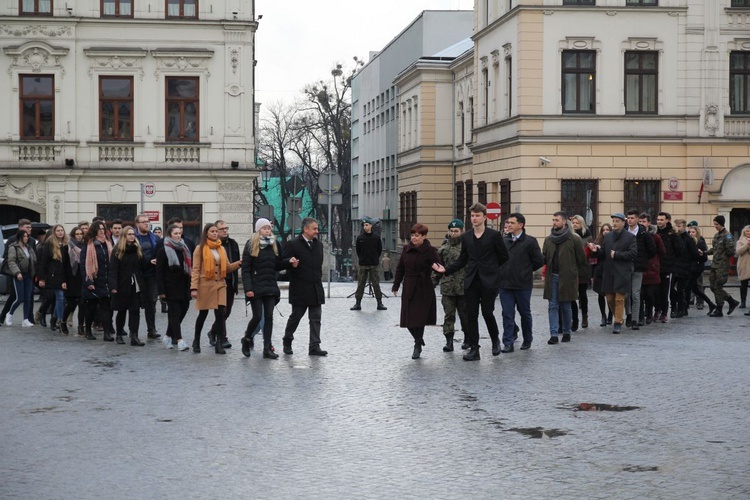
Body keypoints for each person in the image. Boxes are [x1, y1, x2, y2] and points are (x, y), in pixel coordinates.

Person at [433, 203, 509, 361]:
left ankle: (495, 340)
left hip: (489, 281)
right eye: (472, 216)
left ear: (484, 217)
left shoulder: (494, 235)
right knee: (471, 315)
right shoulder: (466, 236)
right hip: (471, 281)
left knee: (487, 313)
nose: (474, 218)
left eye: (477, 215)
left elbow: (503, 256)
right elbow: (463, 259)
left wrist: (492, 269)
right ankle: (475, 349)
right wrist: (446, 270)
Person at [240, 218, 294, 359]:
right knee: (257, 317)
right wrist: (248, 289)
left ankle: (267, 347)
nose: (267, 230)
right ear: (258, 230)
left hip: (270, 286)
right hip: (256, 286)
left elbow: (277, 264)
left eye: (269, 228)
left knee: (269, 317)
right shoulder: (251, 244)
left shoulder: (275, 244)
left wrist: (289, 262)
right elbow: (246, 269)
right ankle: (246, 340)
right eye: (264, 228)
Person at [392, 223, 441, 359]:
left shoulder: (430, 250)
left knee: (419, 319)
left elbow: (439, 267)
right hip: (409, 286)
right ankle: (418, 339)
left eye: (417, 235)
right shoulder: (406, 249)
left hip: (423, 287)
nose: (414, 238)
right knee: (408, 319)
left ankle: (417, 345)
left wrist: (434, 279)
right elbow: (400, 268)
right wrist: (396, 285)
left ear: (424, 236)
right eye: (412, 235)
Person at [190, 223, 241, 354]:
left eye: (215, 231)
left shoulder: (221, 248)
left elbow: (228, 267)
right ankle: (196, 340)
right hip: (205, 284)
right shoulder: (200, 249)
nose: (215, 233)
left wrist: (239, 263)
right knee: (203, 314)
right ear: (206, 233)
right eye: (212, 231)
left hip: (220, 285)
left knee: (220, 315)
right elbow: (195, 270)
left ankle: (219, 343)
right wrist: (193, 288)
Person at [281, 217, 328, 356]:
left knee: (316, 319)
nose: (317, 232)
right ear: (305, 229)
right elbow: (283, 262)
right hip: (300, 288)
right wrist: (291, 263)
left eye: (317, 229)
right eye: (314, 229)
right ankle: (287, 340)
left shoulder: (318, 245)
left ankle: (314, 346)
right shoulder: (293, 244)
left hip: (315, 287)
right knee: (296, 317)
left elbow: (319, 264)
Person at [498, 213, 544, 352]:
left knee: (524, 313)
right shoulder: (504, 241)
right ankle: (508, 342)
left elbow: (539, 261)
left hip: (522, 284)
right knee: (507, 313)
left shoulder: (530, 241)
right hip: (505, 284)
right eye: (508, 223)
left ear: (521, 225)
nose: (509, 225)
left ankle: (527, 339)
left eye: (512, 223)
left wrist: (525, 270)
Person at [588, 213, 637, 334]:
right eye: (613, 221)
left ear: (623, 223)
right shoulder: (608, 236)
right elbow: (603, 254)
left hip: (622, 271)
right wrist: (596, 250)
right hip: (608, 271)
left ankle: (618, 323)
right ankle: (618, 317)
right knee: (610, 298)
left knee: (620, 298)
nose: (614, 223)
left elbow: (633, 253)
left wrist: (617, 255)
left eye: (617, 221)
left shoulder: (630, 237)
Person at [543, 211, 586, 343]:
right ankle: (554, 334)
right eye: (553, 220)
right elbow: (544, 257)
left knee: (566, 305)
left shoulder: (574, 239)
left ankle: (567, 331)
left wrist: (574, 274)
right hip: (552, 277)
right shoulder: (549, 239)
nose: (554, 222)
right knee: (552, 305)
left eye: (557, 220)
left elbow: (581, 260)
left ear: (564, 222)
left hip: (567, 277)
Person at [156, 224, 193, 350]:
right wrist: (161, 291)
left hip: (184, 286)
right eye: (175, 233)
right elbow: (159, 272)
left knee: (184, 309)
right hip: (170, 287)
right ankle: (179, 339)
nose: (178, 235)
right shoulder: (163, 250)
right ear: (169, 235)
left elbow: (188, 268)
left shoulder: (184, 248)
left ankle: (167, 335)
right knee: (174, 313)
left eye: (179, 233)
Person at [433, 219, 467, 352]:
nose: (454, 233)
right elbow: (437, 268)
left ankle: (468, 338)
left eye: (456, 231)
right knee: (449, 315)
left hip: (463, 287)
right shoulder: (443, 249)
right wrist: (433, 283)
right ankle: (449, 341)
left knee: (465, 315)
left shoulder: (466, 246)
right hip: (447, 288)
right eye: (451, 231)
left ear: (461, 231)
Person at [109, 226, 146, 346]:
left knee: (135, 310)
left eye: (133, 234)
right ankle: (119, 334)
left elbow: (141, 266)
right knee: (122, 310)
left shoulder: (137, 249)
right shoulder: (118, 251)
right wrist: (113, 286)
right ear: (124, 236)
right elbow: (113, 270)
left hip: (136, 285)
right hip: (122, 284)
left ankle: (134, 335)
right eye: (129, 234)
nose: (132, 236)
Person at [206, 220, 241, 348]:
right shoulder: (213, 245)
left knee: (227, 312)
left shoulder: (233, 244)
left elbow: (234, 264)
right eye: (221, 229)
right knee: (221, 311)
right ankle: (223, 337)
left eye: (226, 228)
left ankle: (213, 332)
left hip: (231, 282)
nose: (225, 230)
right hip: (218, 283)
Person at [80, 221, 114, 341]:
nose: (101, 231)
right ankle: (88, 330)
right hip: (93, 279)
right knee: (91, 307)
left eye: (103, 228)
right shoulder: (88, 246)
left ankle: (107, 333)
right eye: (99, 229)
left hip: (105, 280)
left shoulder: (108, 244)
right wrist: (88, 282)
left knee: (106, 307)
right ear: (94, 231)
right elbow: (84, 266)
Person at [0, 219, 38, 324]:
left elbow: (33, 257)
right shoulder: (12, 240)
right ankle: (4, 315)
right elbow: (8, 258)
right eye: (27, 227)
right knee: (15, 296)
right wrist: (16, 271)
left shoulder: (31, 241)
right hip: (15, 273)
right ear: (20, 228)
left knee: (29, 295)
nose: (29, 230)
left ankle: (28, 318)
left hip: (28, 273)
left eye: (30, 227)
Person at [704, 215, 740, 317]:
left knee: (718, 286)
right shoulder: (716, 235)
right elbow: (714, 249)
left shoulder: (727, 236)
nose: (715, 226)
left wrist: (723, 256)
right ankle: (731, 301)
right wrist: (704, 253)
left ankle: (720, 308)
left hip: (722, 266)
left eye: (716, 224)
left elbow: (731, 251)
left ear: (721, 224)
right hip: (715, 265)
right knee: (712, 286)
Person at [36, 224, 69, 333]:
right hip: (53, 275)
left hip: (64, 275)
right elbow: (44, 262)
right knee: (59, 297)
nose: (60, 232)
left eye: (62, 230)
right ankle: (60, 320)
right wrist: (42, 278)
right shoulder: (49, 244)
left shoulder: (66, 244)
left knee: (62, 299)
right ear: (54, 232)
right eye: (58, 230)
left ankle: (54, 319)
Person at [626, 210, 656, 329]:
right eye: (628, 218)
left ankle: (635, 319)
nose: (629, 220)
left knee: (636, 294)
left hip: (638, 267)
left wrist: (642, 259)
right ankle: (629, 315)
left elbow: (652, 250)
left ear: (637, 219)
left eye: (632, 218)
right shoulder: (624, 232)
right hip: (626, 266)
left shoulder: (644, 233)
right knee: (626, 295)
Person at [351, 217, 387, 311]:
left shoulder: (376, 238)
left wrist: (374, 258)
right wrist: (362, 258)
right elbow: (358, 251)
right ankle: (357, 303)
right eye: (364, 225)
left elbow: (379, 250)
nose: (365, 227)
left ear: (371, 226)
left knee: (376, 284)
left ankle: (379, 303)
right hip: (363, 264)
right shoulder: (360, 238)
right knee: (360, 284)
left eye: (367, 225)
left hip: (373, 264)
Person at [134, 214, 160, 339]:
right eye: (143, 222)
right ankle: (133, 331)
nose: (146, 223)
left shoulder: (154, 238)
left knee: (152, 301)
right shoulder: (133, 238)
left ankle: (152, 329)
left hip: (151, 274)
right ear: (137, 224)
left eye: (148, 221)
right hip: (137, 274)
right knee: (135, 303)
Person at [655, 212, 684, 322]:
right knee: (655, 291)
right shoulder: (656, 232)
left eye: (661, 220)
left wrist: (670, 259)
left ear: (667, 220)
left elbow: (680, 250)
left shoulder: (673, 234)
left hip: (668, 267)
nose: (659, 222)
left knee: (665, 291)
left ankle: (664, 312)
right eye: (658, 219)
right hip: (656, 266)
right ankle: (657, 310)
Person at [569, 215, 593, 330]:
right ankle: (574, 318)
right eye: (573, 222)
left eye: (577, 223)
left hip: (583, 267)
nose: (574, 224)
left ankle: (584, 316)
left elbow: (590, 252)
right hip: (571, 267)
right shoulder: (569, 235)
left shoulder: (587, 236)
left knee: (582, 294)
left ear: (581, 224)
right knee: (572, 295)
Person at [640, 214, 665, 325]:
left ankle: (650, 313)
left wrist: (656, 263)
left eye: (644, 221)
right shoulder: (635, 235)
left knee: (650, 294)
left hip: (652, 268)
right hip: (639, 268)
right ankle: (641, 315)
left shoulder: (655, 237)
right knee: (640, 294)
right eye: (640, 221)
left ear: (649, 223)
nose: (642, 223)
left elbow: (662, 251)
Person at [686, 225, 716, 315]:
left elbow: (703, 257)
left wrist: (698, 254)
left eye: (693, 232)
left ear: (697, 233)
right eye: (689, 232)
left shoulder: (700, 242)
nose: (691, 234)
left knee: (689, 287)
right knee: (694, 288)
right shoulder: (689, 241)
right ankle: (711, 304)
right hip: (690, 268)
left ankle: (685, 306)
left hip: (696, 268)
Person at [62, 226, 85, 335]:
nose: (79, 236)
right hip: (71, 277)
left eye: (81, 233)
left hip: (82, 277)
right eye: (77, 234)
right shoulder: (67, 247)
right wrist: (64, 281)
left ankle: (80, 326)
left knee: (82, 303)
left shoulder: (85, 246)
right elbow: (64, 265)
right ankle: (62, 321)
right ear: (73, 235)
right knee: (71, 304)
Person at [736, 225, 750, 311]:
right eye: (747, 231)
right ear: (744, 232)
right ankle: (743, 302)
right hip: (744, 265)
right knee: (743, 285)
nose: (749, 233)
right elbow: (739, 251)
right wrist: (747, 245)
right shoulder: (740, 241)